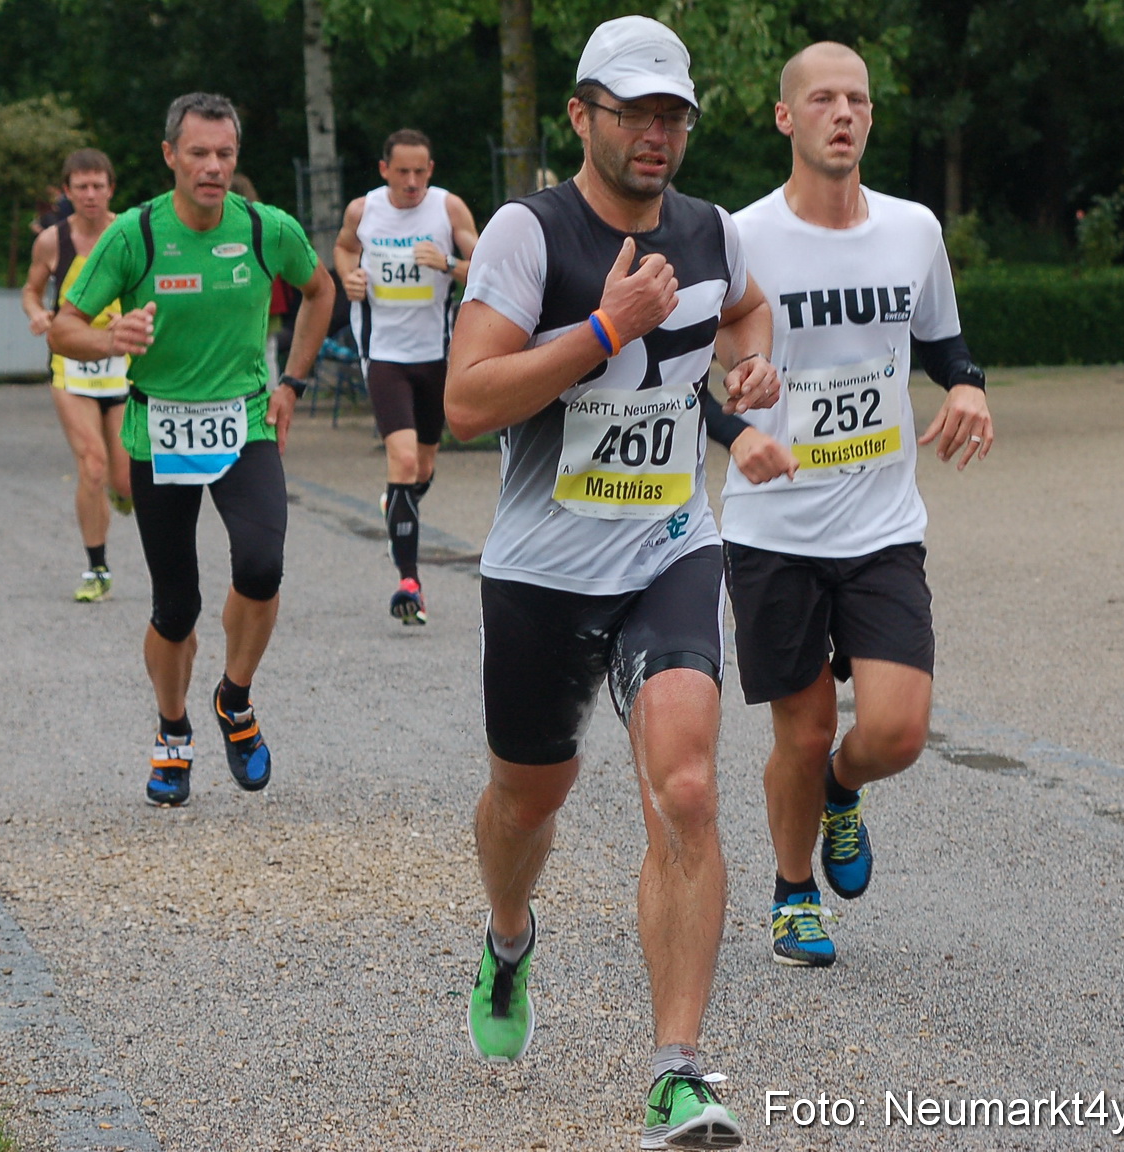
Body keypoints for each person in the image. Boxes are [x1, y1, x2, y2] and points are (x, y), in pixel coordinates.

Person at [445, 16, 796, 1150]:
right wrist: (605, 325)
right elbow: (466, 402)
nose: (656, 133)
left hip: (668, 546)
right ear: (581, 115)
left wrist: (752, 368)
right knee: (525, 802)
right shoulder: (526, 231)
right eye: (634, 111)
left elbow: (744, 311)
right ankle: (507, 940)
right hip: (543, 570)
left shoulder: (711, 230)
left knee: (686, 789)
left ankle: (676, 1072)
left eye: (673, 115)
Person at [719, 42, 993, 969]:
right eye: (824, 99)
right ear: (784, 117)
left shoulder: (913, 229)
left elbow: (945, 345)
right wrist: (737, 433)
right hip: (774, 526)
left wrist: (967, 388)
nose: (844, 113)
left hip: (880, 525)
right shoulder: (739, 236)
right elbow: (686, 373)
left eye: (859, 101)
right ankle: (793, 894)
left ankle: (845, 789)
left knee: (894, 731)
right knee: (799, 730)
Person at [49, 93, 335, 808]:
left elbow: (319, 290)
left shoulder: (267, 228)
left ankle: (233, 701)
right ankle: (171, 729)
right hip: (158, 430)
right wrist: (108, 340)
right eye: (199, 153)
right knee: (176, 605)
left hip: (243, 424)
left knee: (262, 563)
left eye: (225, 155)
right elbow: (63, 327)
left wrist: (293, 382)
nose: (212, 167)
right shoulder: (134, 236)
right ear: (170, 155)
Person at [333, 129, 479, 624]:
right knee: (401, 456)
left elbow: (486, 265)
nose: (412, 182)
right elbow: (343, 247)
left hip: (436, 356)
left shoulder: (448, 209)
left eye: (421, 172)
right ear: (384, 171)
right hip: (384, 355)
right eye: (403, 173)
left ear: (431, 170)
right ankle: (409, 583)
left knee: (421, 470)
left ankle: (397, 503)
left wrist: (450, 263)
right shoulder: (364, 210)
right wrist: (348, 275)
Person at [23, 148, 133, 603]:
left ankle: (121, 493)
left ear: (111, 188)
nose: (90, 195)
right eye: (81, 187)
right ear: (67, 192)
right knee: (92, 464)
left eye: (98, 186)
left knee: (125, 480)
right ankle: (97, 568)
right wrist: (37, 315)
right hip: (72, 368)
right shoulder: (52, 241)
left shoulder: (129, 233)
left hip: (123, 366)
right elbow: (31, 291)